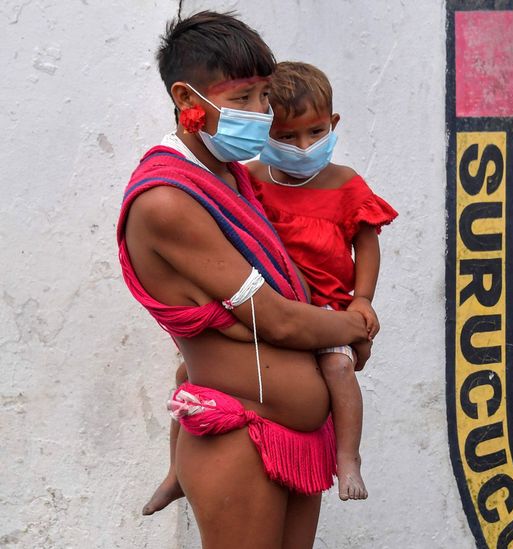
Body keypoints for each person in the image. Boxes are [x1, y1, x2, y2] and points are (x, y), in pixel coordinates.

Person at [119, 11, 370, 548]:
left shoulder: (230, 176)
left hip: (295, 440)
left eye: (263, 96)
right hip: (239, 439)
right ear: (189, 100)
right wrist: (351, 327)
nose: (261, 113)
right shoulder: (167, 200)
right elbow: (276, 319)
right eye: (242, 100)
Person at [250, 61, 398, 500]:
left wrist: (363, 301)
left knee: (338, 369)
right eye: (286, 136)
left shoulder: (346, 184)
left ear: (333, 124)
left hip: (329, 310)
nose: (303, 146)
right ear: (264, 133)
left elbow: (366, 243)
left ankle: (348, 457)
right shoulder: (253, 180)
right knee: (192, 371)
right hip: (271, 309)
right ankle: (177, 469)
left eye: (315, 132)